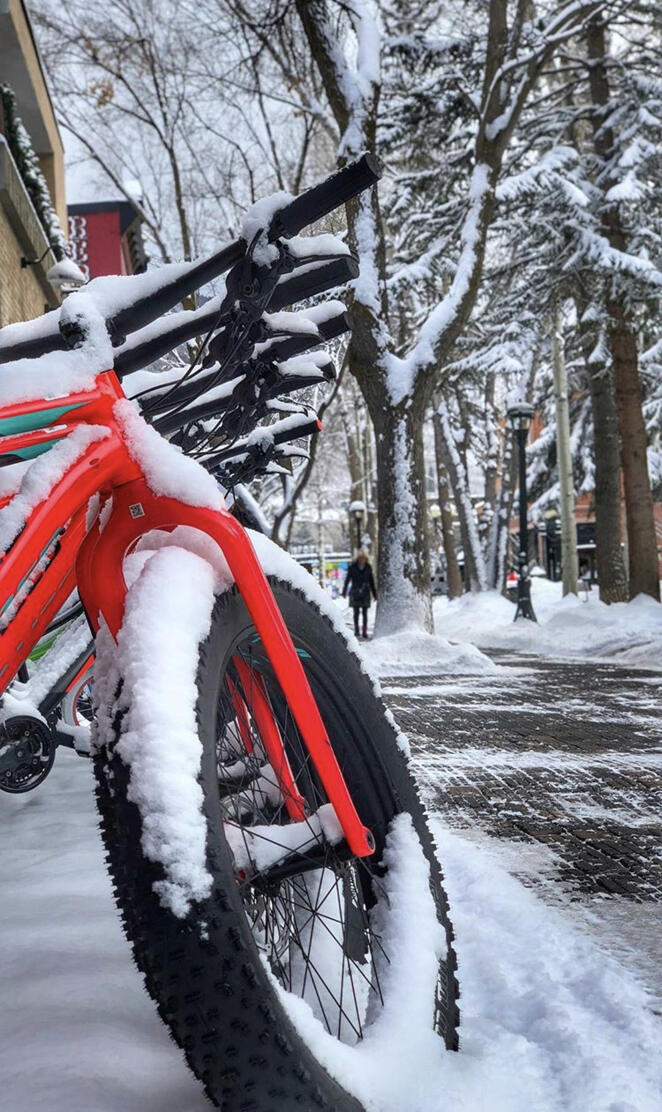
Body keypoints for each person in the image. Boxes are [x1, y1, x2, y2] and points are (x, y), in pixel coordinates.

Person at [342, 551, 377, 639]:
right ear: (358, 559)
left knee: (365, 613)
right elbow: (347, 580)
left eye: (364, 559)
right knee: (356, 613)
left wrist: (374, 594)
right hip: (355, 592)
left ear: (366, 559)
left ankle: (364, 631)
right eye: (360, 559)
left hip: (365, 592)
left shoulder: (368, 568)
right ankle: (357, 630)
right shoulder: (352, 568)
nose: (362, 560)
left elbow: (371, 581)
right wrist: (344, 591)